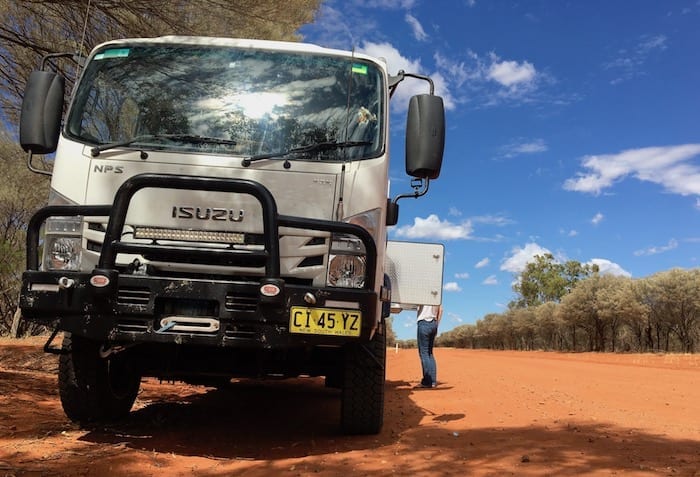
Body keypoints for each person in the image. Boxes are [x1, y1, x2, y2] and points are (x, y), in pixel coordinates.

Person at [416, 304, 442, 388]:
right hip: (434, 323)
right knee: (430, 353)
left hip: (424, 322)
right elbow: (441, 310)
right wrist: (436, 325)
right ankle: (433, 381)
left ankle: (427, 381)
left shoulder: (422, 295)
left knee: (424, 353)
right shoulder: (436, 295)